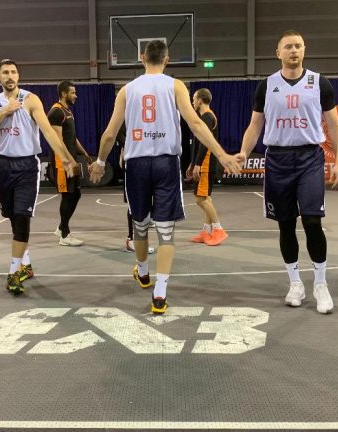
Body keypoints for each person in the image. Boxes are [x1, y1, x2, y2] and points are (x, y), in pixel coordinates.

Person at [89, 40, 243, 314]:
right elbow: (195, 124)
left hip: (136, 164)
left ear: (141, 57)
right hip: (166, 162)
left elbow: (110, 133)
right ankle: (159, 295)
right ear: (167, 59)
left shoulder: (127, 90)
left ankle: (143, 272)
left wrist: (100, 162)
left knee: (139, 225)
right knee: (165, 230)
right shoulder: (176, 86)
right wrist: (222, 155)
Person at [237, 30, 338, 314]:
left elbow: (334, 124)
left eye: (298, 46)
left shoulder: (319, 83)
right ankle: (295, 282)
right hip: (278, 159)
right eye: (288, 46)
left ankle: (320, 284)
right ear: (278, 53)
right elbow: (255, 125)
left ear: (304, 50)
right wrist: (244, 152)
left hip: (309, 157)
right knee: (285, 224)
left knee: (311, 220)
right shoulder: (267, 85)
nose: (293, 50)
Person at [0, 59, 76, 295]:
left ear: (18, 76)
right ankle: (26, 265)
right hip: (3, 165)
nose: (10, 76)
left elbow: (48, 131)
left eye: (13, 72)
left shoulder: (31, 99)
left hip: (26, 166)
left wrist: (64, 158)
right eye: (5, 72)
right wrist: (5, 111)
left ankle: (14, 273)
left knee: (22, 216)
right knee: (13, 217)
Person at [48, 81, 93, 246]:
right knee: (68, 196)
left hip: (71, 159)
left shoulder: (67, 111)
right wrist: (69, 161)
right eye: (72, 93)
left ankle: (61, 227)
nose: (76, 96)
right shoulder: (56, 112)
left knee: (76, 194)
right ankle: (64, 236)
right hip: (62, 162)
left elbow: (72, 137)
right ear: (64, 93)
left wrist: (84, 153)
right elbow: (58, 141)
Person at [187, 88, 228, 246]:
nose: (192, 102)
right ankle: (206, 231)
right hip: (202, 162)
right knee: (206, 197)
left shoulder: (208, 117)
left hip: (205, 164)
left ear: (200, 100)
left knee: (200, 199)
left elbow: (205, 144)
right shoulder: (205, 117)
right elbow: (198, 144)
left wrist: (198, 164)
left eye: (194, 98)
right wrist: (192, 163)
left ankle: (218, 229)